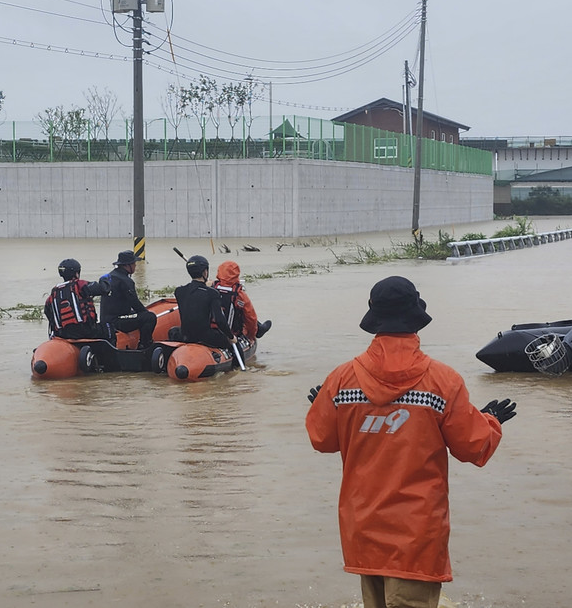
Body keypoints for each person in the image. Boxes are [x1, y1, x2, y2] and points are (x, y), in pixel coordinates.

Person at [305, 275, 516, 608]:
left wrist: (327, 406)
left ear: (374, 316)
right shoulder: (443, 381)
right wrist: (490, 420)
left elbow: (322, 438)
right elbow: (474, 447)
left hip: (363, 528)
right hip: (417, 534)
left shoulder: (341, 379)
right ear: (415, 315)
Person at [174, 254, 235, 350]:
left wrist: (205, 287)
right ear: (205, 272)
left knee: (173, 331)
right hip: (206, 337)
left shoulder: (179, 291)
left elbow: (195, 296)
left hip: (186, 336)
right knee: (233, 343)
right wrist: (231, 337)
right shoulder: (212, 293)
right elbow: (219, 320)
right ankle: (238, 364)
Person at [99, 250, 157, 350]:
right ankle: (145, 345)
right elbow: (135, 303)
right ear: (127, 265)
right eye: (134, 263)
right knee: (150, 317)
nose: (135, 266)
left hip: (105, 320)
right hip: (116, 321)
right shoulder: (126, 281)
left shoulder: (107, 277)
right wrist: (145, 313)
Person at [43, 258, 110, 340]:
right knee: (109, 328)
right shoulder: (80, 285)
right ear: (77, 273)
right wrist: (104, 280)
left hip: (63, 334)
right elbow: (104, 289)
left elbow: (47, 312)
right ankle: (111, 352)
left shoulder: (53, 293)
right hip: (85, 331)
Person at [212, 260, 272, 343]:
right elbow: (250, 318)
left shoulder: (210, 289)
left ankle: (259, 328)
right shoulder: (240, 295)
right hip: (232, 334)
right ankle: (259, 330)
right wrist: (251, 335)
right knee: (244, 314)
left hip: (210, 332)